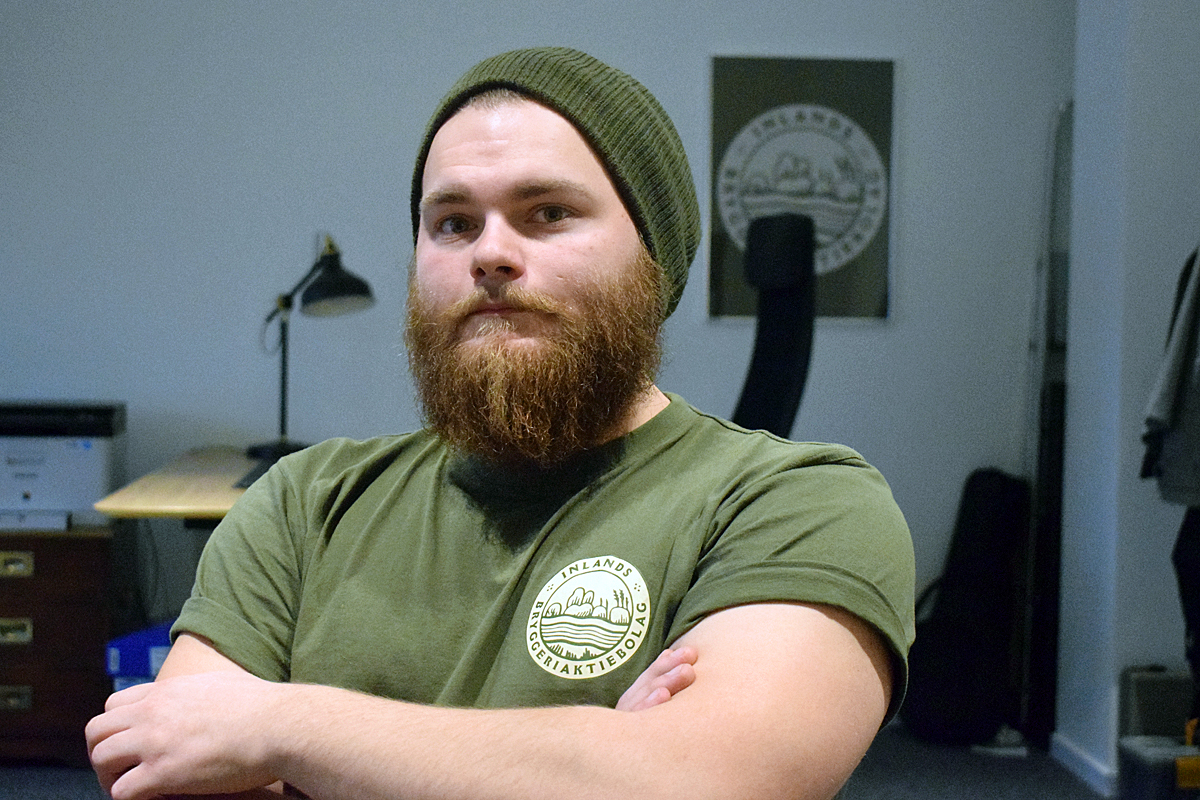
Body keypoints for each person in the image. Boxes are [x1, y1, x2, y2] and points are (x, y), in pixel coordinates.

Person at [87, 47, 915, 800]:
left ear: (654, 256)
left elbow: (710, 781)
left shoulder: (800, 504)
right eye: (452, 223)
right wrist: (591, 759)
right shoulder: (304, 504)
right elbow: (168, 770)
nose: (490, 253)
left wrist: (281, 727)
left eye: (549, 212)